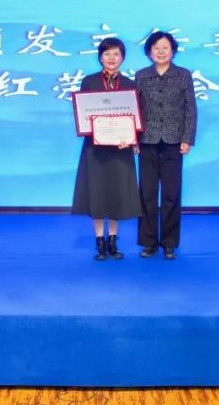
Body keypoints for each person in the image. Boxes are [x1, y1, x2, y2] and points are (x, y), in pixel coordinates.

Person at [71, 37, 142, 261]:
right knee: (98, 192)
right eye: (107, 54)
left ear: (123, 58)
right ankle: (99, 241)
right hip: (96, 148)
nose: (112, 58)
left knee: (117, 192)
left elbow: (136, 116)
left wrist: (132, 140)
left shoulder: (130, 84)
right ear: (100, 57)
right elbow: (84, 114)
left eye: (116, 54)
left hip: (121, 148)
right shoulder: (89, 81)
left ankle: (113, 240)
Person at [135, 31, 196, 259]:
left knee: (171, 194)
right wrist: (133, 139)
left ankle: (169, 243)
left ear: (173, 50)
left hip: (173, 142)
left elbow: (190, 110)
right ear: (149, 52)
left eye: (165, 48)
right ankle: (148, 242)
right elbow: (135, 110)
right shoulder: (141, 76)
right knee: (147, 194)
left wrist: (187, 138)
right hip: (147, 141)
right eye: (156, 48)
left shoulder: (183, 75)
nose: (161, 52)